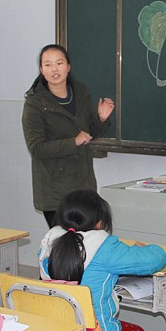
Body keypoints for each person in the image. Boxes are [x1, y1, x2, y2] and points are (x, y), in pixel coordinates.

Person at [38, 189, 166, 331]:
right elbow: (156, 259)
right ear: (99, 223)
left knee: (74, 321)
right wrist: (145, 248)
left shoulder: (47, 246)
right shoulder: (106, 248)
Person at [22, 44, 115, 227]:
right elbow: (37, 148)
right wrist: (73, 142)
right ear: (41, 70)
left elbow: (88, 134)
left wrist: (101, 119)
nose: (54, 69)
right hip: (55, 190)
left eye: (59, 63)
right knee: (66, 246)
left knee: (88, 244)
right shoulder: (35, 103)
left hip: (84, 184)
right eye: (47, 65)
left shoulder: (80, 92)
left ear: (68, 66)